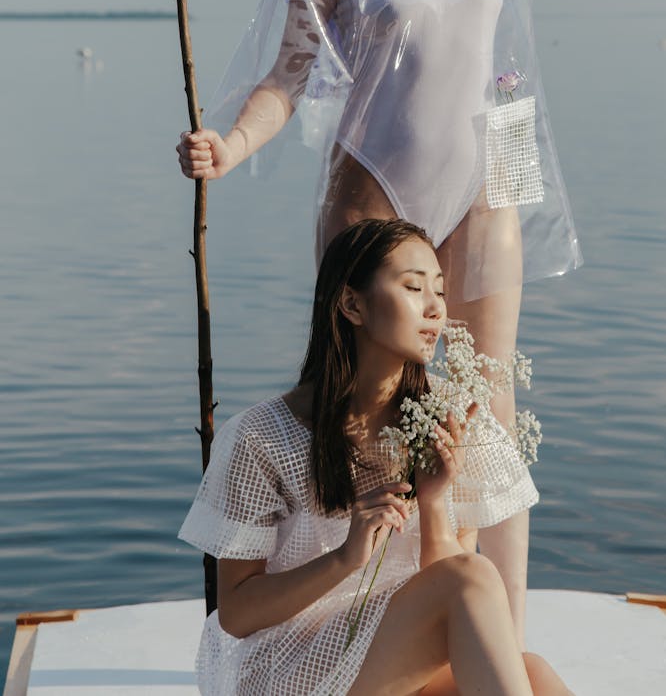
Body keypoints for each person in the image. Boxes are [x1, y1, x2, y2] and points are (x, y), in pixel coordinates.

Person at [177, 0, 639, 638]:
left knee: (491, 407)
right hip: (374, 190)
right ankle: (364, 618)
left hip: (490, 181)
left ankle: (497, 627)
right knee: (369, 405)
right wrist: (230, 144)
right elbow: (286, 78)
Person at [179, 218, 573, 696]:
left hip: (386, 659)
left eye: (442, 292)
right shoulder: (263, 437)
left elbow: (456, 581)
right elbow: (237, 614)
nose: (435, 309)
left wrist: (432, 503)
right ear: (351, 303)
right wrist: (346, 557)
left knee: (533, 674)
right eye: (414, 287)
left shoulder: (445, 416)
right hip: (288, 670)